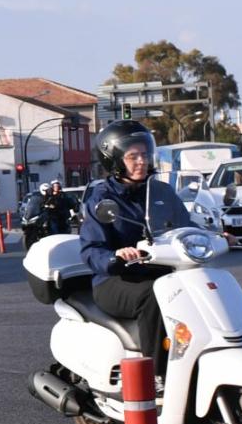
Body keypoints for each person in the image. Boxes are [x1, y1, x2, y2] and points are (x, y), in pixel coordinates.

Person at [79, 121, 193, 386]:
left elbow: (186, 227)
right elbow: (91, 249)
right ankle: (156, 375)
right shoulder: (102, 199)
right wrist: (115, 256)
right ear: (115, 160)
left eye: (144, 154)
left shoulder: (162, 191)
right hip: (116, 280)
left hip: (163, 273)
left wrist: (213, 236)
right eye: (132, 156)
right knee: (154, 296)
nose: (141, 161)